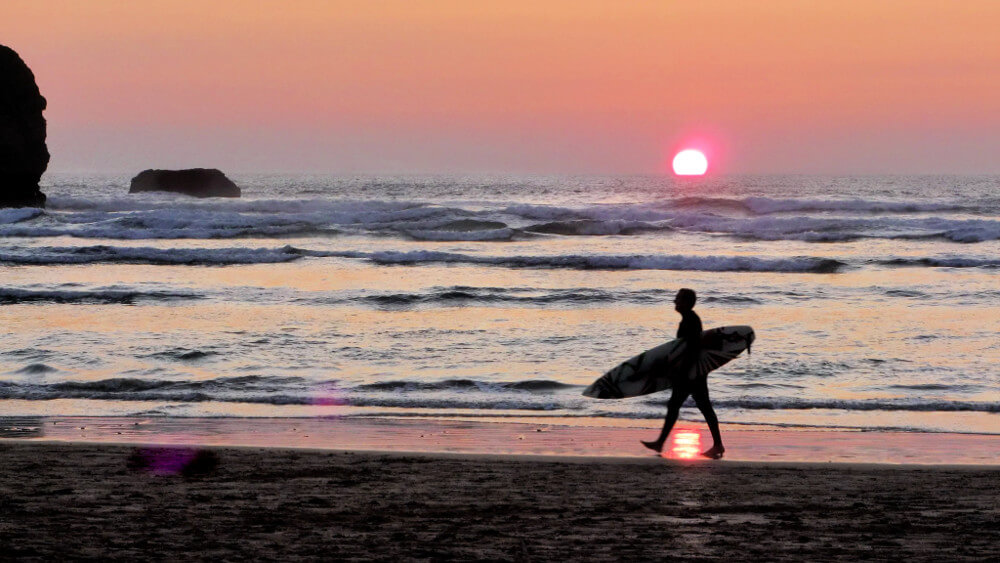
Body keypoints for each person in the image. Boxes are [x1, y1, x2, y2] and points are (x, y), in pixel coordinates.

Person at [641, 288, 725, 459]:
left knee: (699, 407)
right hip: (693, 372)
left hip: (691, 373)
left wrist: (682, 372)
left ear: (686, 303)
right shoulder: (689, 319)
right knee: (682, 406)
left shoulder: (690, 321)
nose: (674, 301)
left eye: (678, 299)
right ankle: (661, 442)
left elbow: (692, 350)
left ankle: (717, 445)